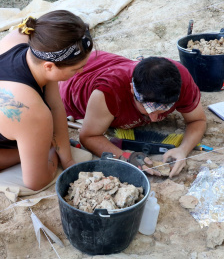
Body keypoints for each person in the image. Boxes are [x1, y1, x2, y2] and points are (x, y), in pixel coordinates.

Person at [59, 51, 206, 178]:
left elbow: (197, 120)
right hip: (71, 84)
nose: (154, 119)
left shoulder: (180, 79)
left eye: (162, 110)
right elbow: (88, 136)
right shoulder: (107, 93)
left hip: (108, 62)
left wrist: (183, 150)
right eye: (148, 110)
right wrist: (126, 158)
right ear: (131, 90)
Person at [0, 10, 93, 190]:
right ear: (49, 66)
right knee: (43, 143)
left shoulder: (29, 39)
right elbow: (36, 181)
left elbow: (55, 106)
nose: (81, 72)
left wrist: (67, 158)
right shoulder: (32, 111)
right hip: (19, 118)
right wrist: (51, 149)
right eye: (76, 69)